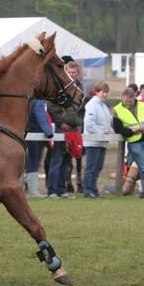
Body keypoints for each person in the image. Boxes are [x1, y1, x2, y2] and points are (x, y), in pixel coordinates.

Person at [112, 87, 144, 199]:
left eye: (130, 101)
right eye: (125, 101)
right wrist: (132, 131)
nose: (128, 103)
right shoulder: (117, 110)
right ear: (122, 98)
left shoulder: (143, 106)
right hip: (134, 143)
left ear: (134, 98)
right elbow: (118, 129)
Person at [47, 98, 82, 198]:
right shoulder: (54, 100)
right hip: (59, 133)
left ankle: (61, 189)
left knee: (66, 163)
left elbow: (76, 116)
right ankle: (52, 190)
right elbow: (53, 112)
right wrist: (62, 122)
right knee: (57, 162)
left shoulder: (69, 99)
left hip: (71, 134)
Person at [82, 82, 113, 198]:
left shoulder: (104, 106)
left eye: (106, 92)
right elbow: (89, 124)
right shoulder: (92, 104)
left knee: (98, 166)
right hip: (93, 141)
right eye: (102, 92)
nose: (104, 94)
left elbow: (107, 123)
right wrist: (101, 133)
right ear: (97, 92)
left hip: (102, 142)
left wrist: (110, 131)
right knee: (91, 167)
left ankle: (93, 189)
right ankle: (87, 189)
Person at [62, 60, 84, 193]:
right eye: (69, 72)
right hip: (65, 127)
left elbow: (82, 108)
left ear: (78, 73)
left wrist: (80, 121)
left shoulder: (80, 88)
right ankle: (67, 183)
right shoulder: (62, 88)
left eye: (74, 72)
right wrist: (62, 122)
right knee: (66, 159)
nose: (71, 74)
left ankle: (80, 181)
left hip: (77, 128)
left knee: (79, 157)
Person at [25, 99, 53, 198]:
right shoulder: (38, 102)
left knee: (27, 162)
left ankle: (27, 188)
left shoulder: (28, 100)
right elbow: (42, 117)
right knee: (33, 162)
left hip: (27, 133)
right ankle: (33, 191)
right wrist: (49, 132)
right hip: (35, 135)